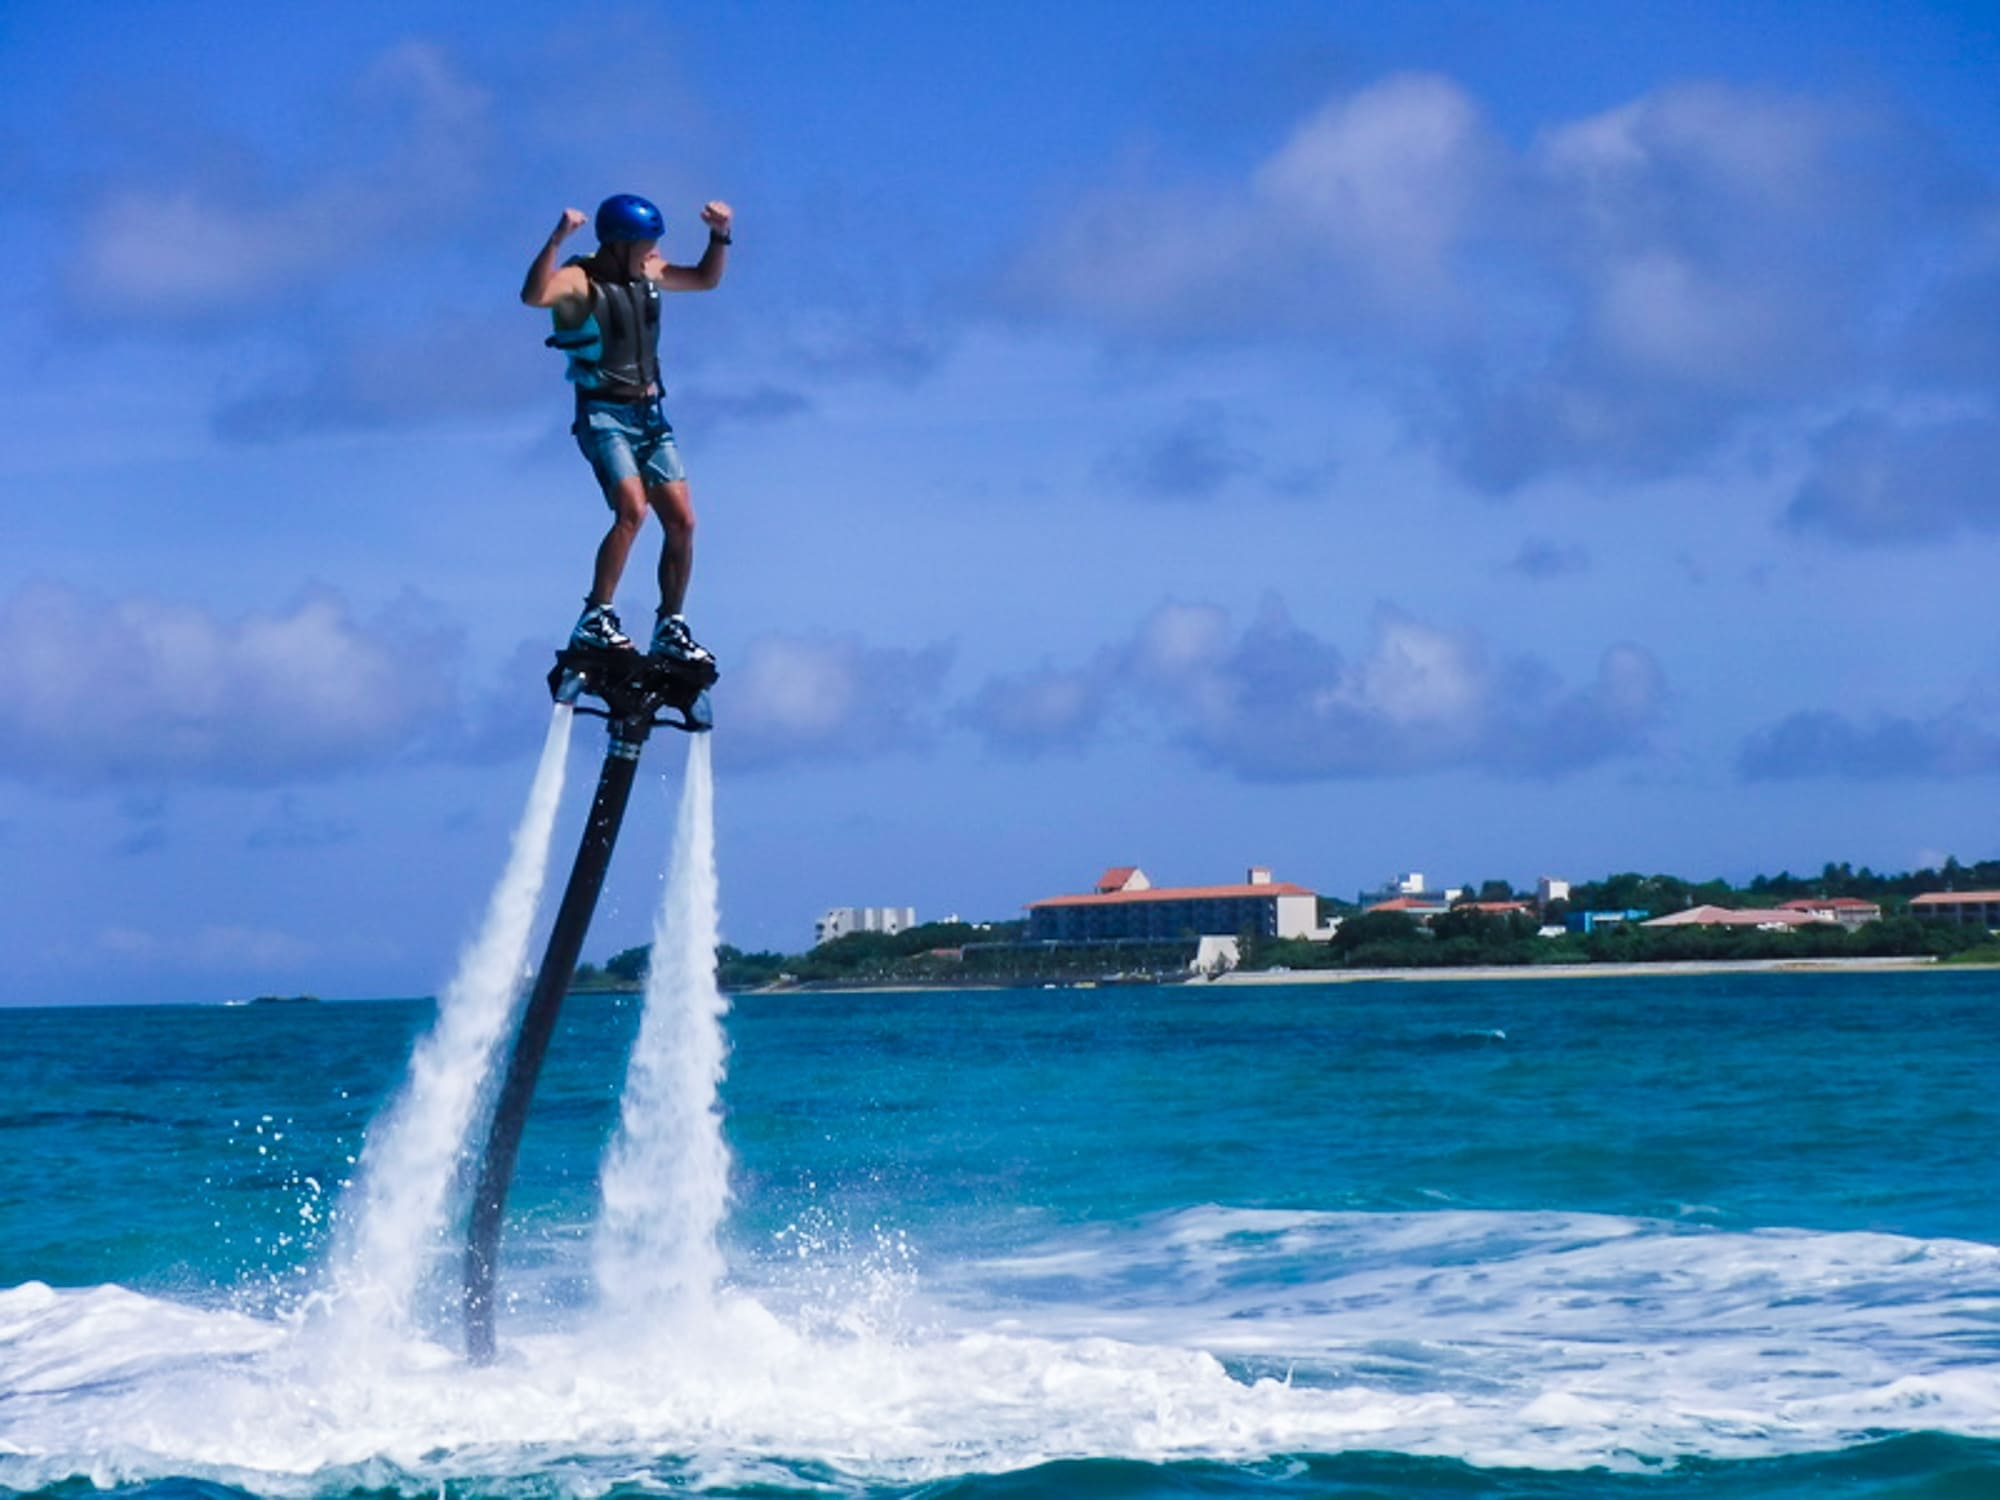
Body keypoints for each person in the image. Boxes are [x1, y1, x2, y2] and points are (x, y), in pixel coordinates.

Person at [520, 193, 732, 661]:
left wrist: (719, 236)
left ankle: (670, 625)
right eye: (645, 244)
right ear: (618, 245)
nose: (653, 252)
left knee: (682, 521)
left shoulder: (648, 272)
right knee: (632, 510)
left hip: (651, 416)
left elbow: (704, 279)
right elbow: (534, 295)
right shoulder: (579, 279)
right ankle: (595, 616)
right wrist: (555, 240)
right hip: (603, 415)